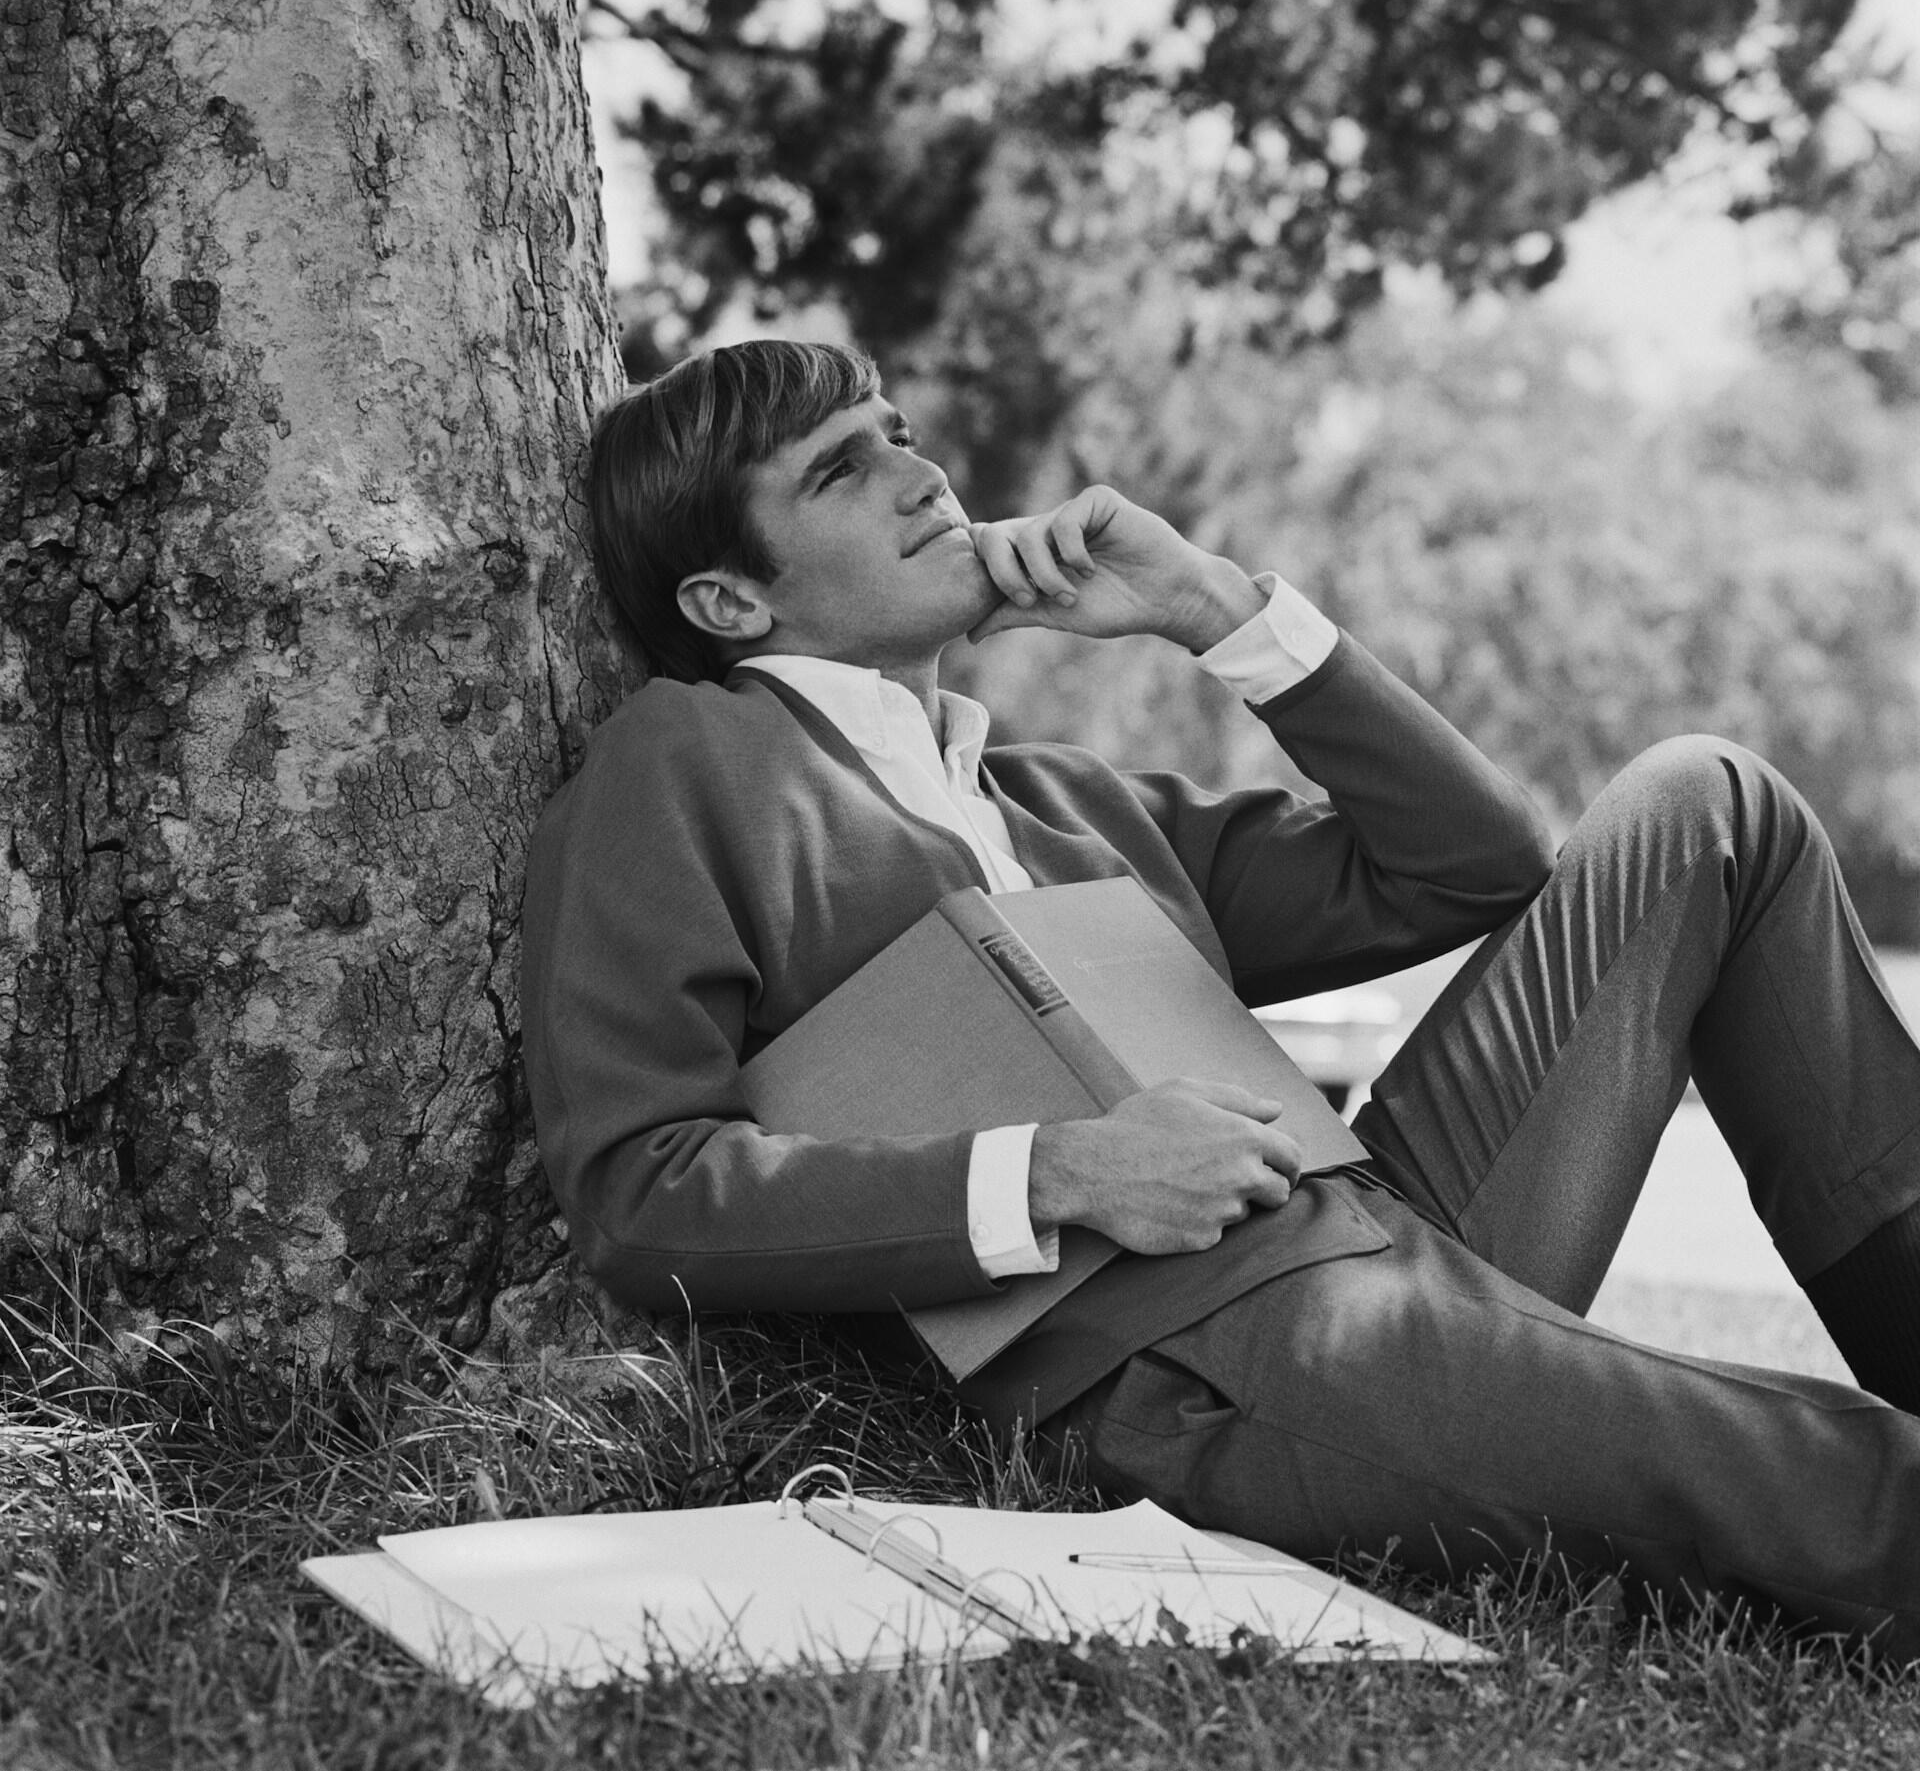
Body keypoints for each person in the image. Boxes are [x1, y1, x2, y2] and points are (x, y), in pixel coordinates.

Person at [520, 338, 1920, 1662]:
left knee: (1710, 806)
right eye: (841, 468)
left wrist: (1212, 611)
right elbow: (642, 1190)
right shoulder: (680, 766)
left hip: (1379, 1223)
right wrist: (1065, 1172)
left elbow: (1478, 865)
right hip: (1193, 1353)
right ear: (730, 602)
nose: (922, 474)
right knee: (1815, 1474)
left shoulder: (1062, 798)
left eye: (899, 433)